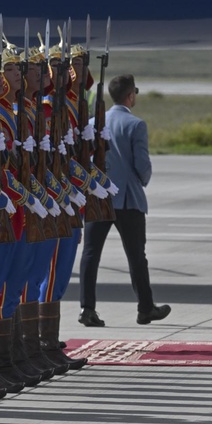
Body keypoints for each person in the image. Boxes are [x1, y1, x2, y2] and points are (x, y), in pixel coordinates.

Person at [78, 74, 170, 327]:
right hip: (127, 198)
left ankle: (87, 308)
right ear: (130, 96)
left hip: (98, 197)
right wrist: (143, 179)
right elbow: (142, 164)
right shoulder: (135, 124)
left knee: (90, 254)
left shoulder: (94, 122)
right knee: (136, 256)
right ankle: (145, 307)